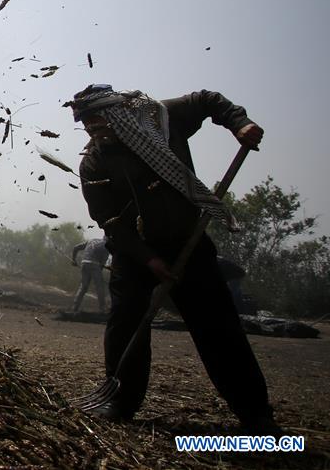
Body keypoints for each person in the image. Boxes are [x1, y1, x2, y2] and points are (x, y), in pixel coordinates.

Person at [69, 84, 279, 434]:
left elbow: (207, 100)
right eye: (88, 128)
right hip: (135, 254)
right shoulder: (94, 163)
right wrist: (148, 259)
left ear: (117, 115)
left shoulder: (162, 119)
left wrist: (238, 123)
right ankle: (119, 401)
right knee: (126, 322)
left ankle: (255, 413)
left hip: (187, 243)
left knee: (218, 327)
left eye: (99, 124)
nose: (94, 133)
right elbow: (110, 221)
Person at [70, 236, 110, 313]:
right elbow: (102, 264)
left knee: (83, 287)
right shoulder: (107, 246)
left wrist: (73, 260)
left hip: (84, 263)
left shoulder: (92, 240)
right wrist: (98, 275)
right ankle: (102, 308)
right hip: (95, 265)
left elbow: (76, 247)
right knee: (99, 287)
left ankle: (74, 307)